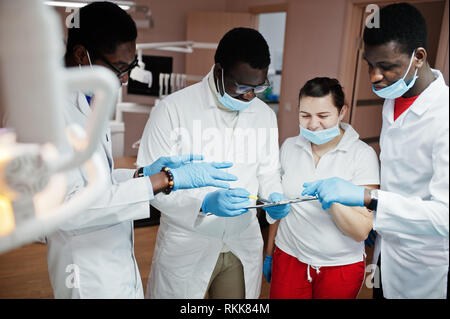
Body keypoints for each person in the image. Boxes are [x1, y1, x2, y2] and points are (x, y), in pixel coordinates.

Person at [46, 1, 238, 299]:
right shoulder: (48, 111)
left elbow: (98, 181)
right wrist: (163, 180)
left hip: (114, 256)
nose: (124, 79)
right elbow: (68, 208)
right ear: (82, 54)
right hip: (85, 271)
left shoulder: (88, 98)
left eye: (130, 67)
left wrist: (139, 174)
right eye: (120, 68)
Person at [302, 3, 449, 299]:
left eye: (387, 66)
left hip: (425, 263)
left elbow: (444, 217)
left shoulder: (444, 116)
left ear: (418, 57)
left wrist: (368, 198)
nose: (374, 77)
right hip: (385, 251)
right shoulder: (392, 100)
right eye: (370, 64)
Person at [137, 27, 290, 299]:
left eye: (259, 87)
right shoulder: (172, 110)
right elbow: (149, 186)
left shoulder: (264, 115)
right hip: (187, 242)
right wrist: (204, 204)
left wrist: (274, 196)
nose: (249, 96)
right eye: (242, 86)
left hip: (241, 241)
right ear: (218, 71)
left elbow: (267, 171)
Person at [263, 77, 380, 299]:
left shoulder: (362, 156)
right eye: (305, 115)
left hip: (339, 266)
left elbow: (361, 231)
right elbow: (279, 209)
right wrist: (270, 253)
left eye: (323, 116)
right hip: (288, 256)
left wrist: (333, 200)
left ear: (342, 112)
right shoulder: (289, 147)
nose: (313, 124)